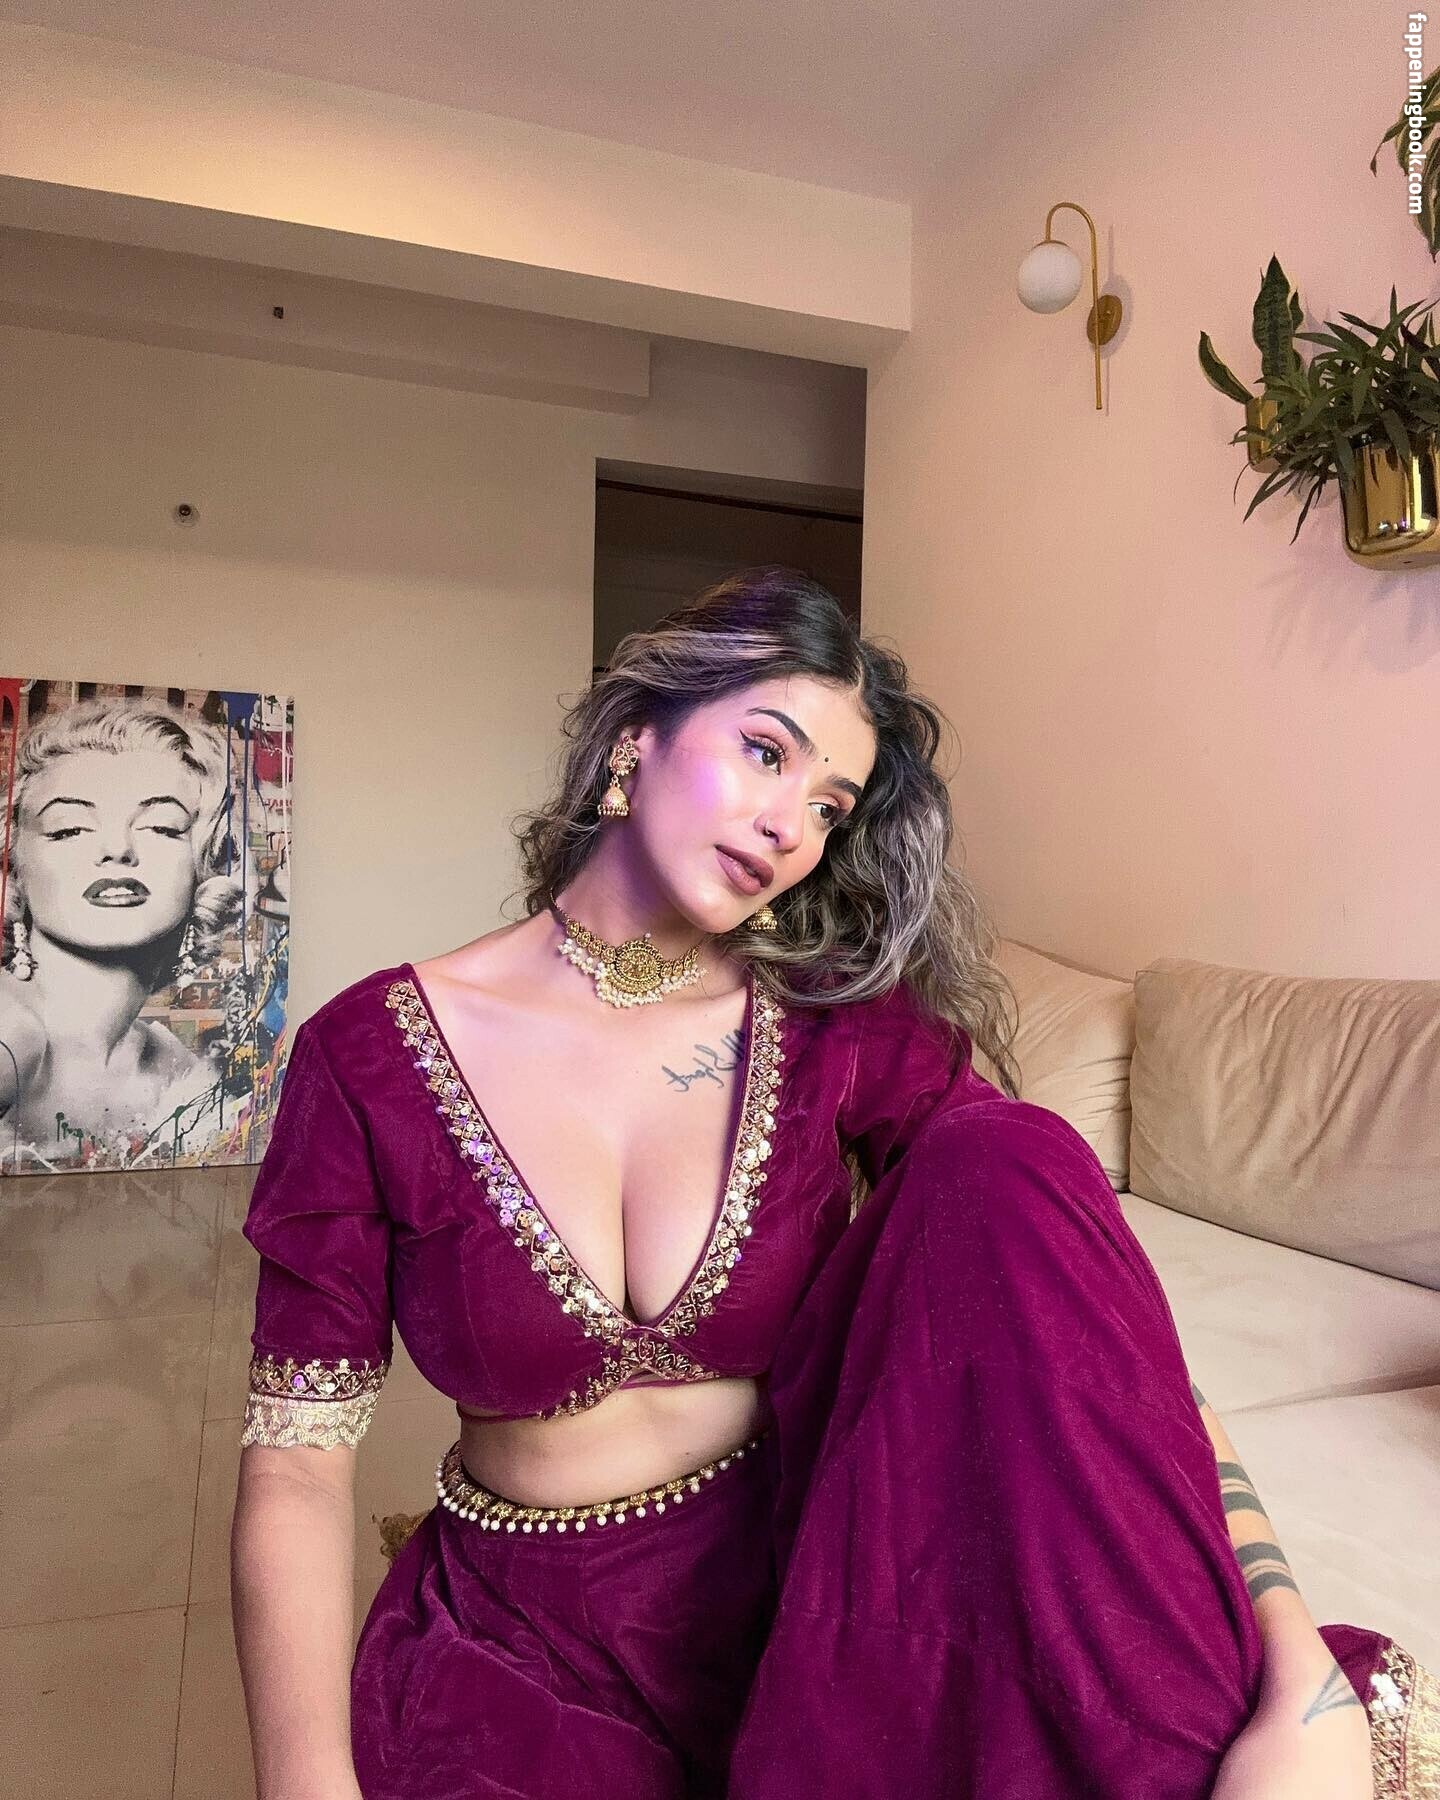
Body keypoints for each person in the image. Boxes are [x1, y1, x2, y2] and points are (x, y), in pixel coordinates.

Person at [229, 568, 1433, 1799]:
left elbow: (1092, 1336)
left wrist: (1297, 1667)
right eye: (765, 752)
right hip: (527, 1642)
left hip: (823, 1595)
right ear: (636, 738)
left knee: (1015, 1153)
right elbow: (297, 1466)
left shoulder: (833, 1027)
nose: (789, 828)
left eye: (828, 806)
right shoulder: (369, 1057)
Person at [0, 695, 243, 1167]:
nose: (117, 849)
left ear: (204, 864)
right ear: (15, 869)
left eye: (162, 827)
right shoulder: (12, 1036)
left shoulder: (168, 1058)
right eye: (69, 828)